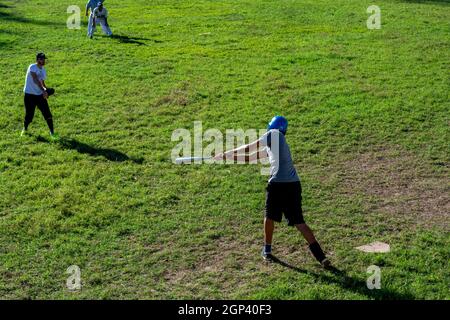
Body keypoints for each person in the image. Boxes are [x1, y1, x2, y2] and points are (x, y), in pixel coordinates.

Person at [214, 116, 331, 267]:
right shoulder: (276, 144)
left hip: (277, 185)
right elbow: (250, 158)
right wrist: (226, 157)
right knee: (299, 222)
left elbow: (250, 147)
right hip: (293, 185)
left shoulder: (273, 134)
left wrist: (226, 153)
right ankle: (321, 257)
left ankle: (267, 250)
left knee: (269, 217)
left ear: (272, 126)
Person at [22, 52, 58, 140]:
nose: (43, 60)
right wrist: (43, 90)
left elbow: (42, 82)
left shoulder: (43, 70)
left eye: (44, 59)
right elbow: (35, 79)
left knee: (47, 113)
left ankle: (52, 133)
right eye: (42, 59)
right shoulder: (32, 67)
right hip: (29, 95)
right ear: (37, 60)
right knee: (29, 115)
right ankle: (25, 129)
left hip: (39, 95)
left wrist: (45, 91)